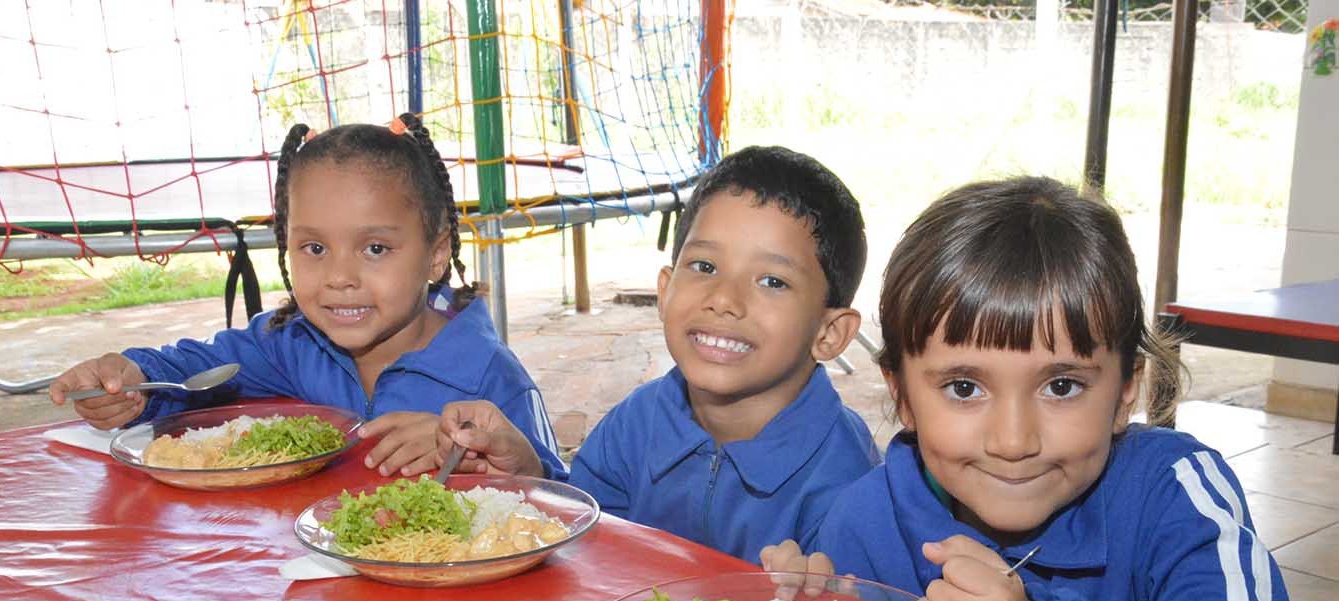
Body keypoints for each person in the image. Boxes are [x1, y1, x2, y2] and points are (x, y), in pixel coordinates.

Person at [762, 175, 1297, 601]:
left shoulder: (1173, 489)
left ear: (1125, 392)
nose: (1013, 441)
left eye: (1062, 386)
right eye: (964, 388)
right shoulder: (866, 518)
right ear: (902, 395)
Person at [47, 114, 565, 480]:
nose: (339, 276)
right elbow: (197, 372)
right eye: (314, 247)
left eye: (375, 247)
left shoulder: (488, 375)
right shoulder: (293, 344)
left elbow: (564, 504)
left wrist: (488, 457)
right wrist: (135, 381)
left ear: (435, 255)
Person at [431, 145, 879, 561]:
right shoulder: (638, 422)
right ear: (665, 291)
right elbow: (583, 536)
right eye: (704, 267)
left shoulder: (848, 480)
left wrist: (816, 595)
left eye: (772, 282)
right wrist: (527, 471)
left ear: (830, 333)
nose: (723, 299)